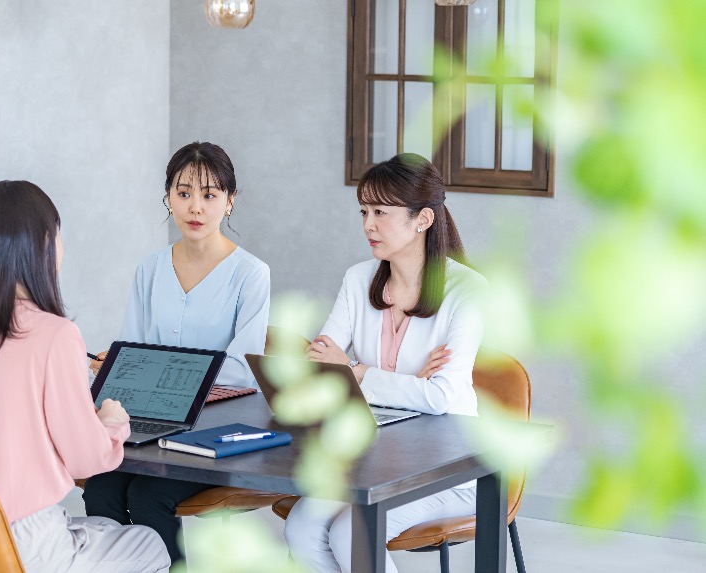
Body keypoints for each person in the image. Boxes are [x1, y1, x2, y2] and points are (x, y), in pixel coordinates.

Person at [0, 181, 171, 573]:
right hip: (26, 542)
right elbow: (86, 461)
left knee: (105, 527)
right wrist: (109, 425)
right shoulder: (56, 334)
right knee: (150, 544)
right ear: (44, 243)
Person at [283, 153, 486, 573]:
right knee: (300, 527)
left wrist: (356, 371)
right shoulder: (359, 279)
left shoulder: (467, 290)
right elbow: (318, 367)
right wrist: (410, 383)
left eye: (380, 212)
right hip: (370, 459)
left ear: (423, 219)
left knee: (351, 533)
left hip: (449, 465)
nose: (367, 224)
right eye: (363, 211)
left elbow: (443, 397)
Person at [83, 142, 270, 564]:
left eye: (209, 195)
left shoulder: (251, 274)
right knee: (100, 489)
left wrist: (157, 370)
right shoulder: (149, 268)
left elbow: (241, 372)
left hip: (213, 428)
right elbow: (131, 349)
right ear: (168, 197)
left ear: (230, 201)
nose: (195, 208)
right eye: (183, 193)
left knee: (150, 496)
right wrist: (113, 367)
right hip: (148, 423)